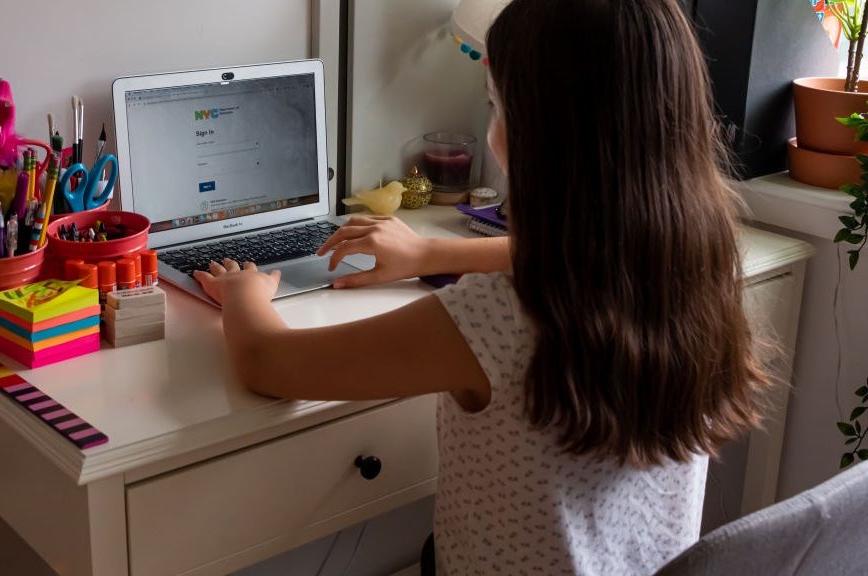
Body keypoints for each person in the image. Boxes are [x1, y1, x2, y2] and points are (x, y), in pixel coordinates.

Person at [194, 0, 771, 573]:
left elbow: (266, 361)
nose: (492, 132)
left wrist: (244, 295)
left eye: (496, 107)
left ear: (543, 137)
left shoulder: (498, 316)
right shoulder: (696, 268)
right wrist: (429, 252)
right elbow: (572, 257)